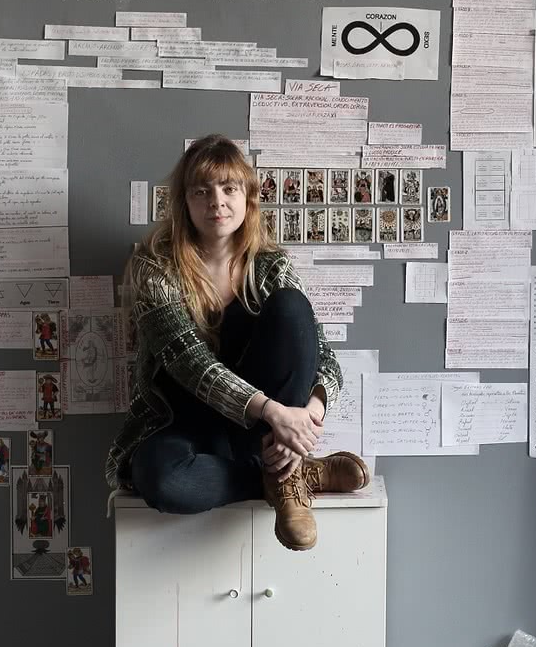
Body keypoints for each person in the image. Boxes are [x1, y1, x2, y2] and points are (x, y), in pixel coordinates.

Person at [108, 134, 368, 551]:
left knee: (291, 307)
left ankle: (284, 468)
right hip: (183, 422)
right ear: (184, 201)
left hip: (261, 433)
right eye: (202, 191)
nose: (217, 201)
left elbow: (324, 358)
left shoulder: (271, 266)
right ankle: (291, 477)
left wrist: (306, 416)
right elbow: (190, 362)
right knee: (159, 479)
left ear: (247, 197)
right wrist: (274, 411)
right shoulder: (154, 267)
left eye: (229, 188)